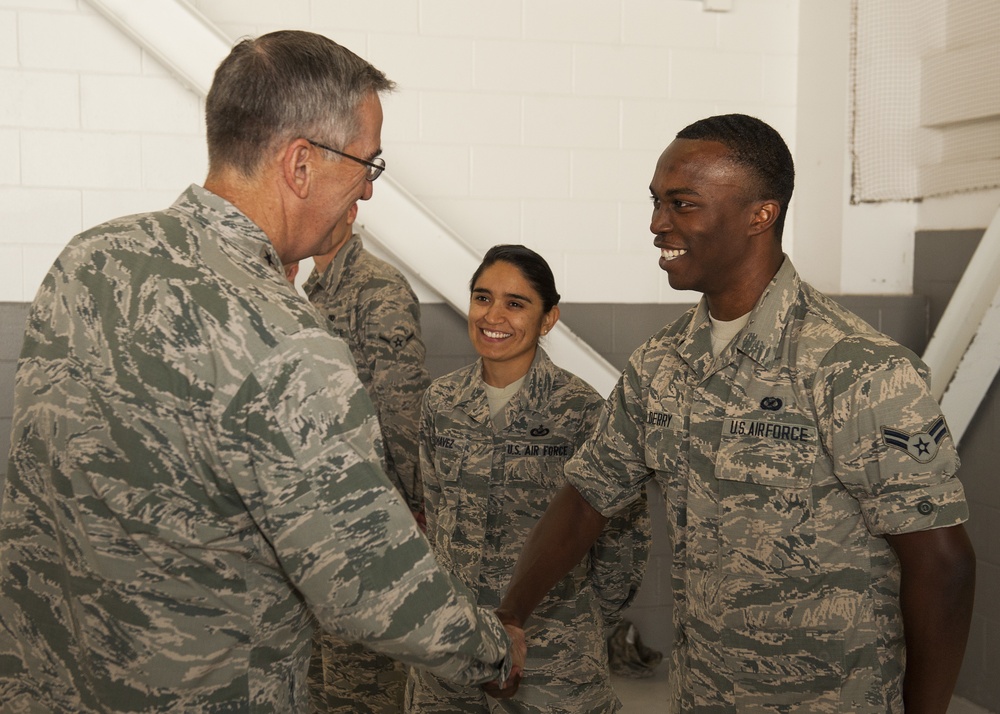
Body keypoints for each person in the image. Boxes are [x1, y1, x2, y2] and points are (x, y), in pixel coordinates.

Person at [0, 30, 523, 712]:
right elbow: (370, 587)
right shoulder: (285, 341)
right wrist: (490, 649)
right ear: (301, 164)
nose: (367, 189)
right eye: (368, 164)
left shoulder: (90, 259)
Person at [496, 114, 976, 713]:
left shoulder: (855, 368)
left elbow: (943, 563)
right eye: (655, 202)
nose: (656, 224)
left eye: (682, 204)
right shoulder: (661, 364)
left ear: (760, 215)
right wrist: (510, 614)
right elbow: (588, 496)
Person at [407, 245, 650, 713]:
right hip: (454, 643)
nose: (493, 315)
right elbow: (436, 516)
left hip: (552, 651)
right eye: (482, 298)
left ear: (549, 318)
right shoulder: (442, 402)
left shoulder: (581, 409)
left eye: (515, 304)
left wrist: (583, 624)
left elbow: (624, 537)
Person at [301, 202, 431, 712]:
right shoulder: (314, 289)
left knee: (366, 683)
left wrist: (413, 502)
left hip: (372, 513)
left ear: (352, 211)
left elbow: (401, 404)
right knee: (323, 678)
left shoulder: (379, 288)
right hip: (320, 514)